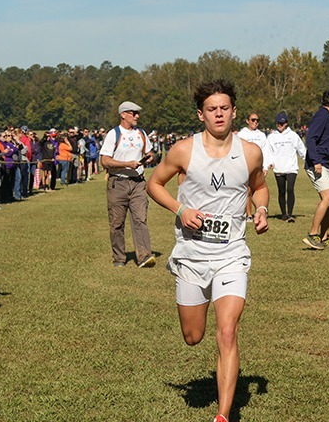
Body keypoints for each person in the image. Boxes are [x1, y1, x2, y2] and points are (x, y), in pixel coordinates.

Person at [147, 79, 269, 422]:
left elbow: (259, 188)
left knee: (227, 330)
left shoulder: (249, 152)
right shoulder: (184, 150)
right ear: (201, 114)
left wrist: (260, 209)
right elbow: (154, 184)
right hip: (191, 254)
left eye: (225, 108)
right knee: (193, 336)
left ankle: (223, 415)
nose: (219, 114)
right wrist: (180, 210)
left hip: (232, 252)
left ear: (234, 111)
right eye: (212, 109)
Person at [100, 101, 156, 268]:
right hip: (118, 183)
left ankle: (145, 257)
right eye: (133, 113)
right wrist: (126, 164)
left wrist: (150, 156)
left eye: (138, 113)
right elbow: (105, 161)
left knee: (140, 220)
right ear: (123, 114)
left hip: (138, 183)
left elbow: (149, 151)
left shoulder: (141, 133)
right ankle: (119, 258)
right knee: (117, 223)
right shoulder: (113, 134)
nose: (137, 116)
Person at [303, 90, 329, 250]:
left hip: (327, 164)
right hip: (318, 164)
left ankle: (324, 237)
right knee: (327, 198)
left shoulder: (326, 117)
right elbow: (310, 138)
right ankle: (312, 234)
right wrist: (316, 161)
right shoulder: (322, 116)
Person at [265, 112, 306, 222]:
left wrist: (307, 161)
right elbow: (268, 152)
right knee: (281, 191)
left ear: (286, 123)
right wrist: (269, 163)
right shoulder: (271, 137)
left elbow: (301, 150)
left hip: (291, 168)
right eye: (278, 123)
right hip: (278, 168)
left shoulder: (293, 136)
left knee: (290, 189)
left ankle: (290, 214)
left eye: (282, 123)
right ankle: (284, 213)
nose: (280, 125)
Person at [237, 112, 269, 220]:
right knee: (247, 190)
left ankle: (259, 211)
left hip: (258, 167)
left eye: (257, 120)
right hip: (245, 165)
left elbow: (265, 151)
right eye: (253, 120)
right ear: (247, 121)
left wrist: (265, 166)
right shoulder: (242, 134)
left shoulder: (261, 135)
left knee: (258, 188)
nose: (255, 122)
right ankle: (248, 214)